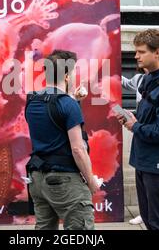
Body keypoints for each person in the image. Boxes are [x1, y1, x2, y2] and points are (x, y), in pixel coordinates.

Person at [115, 29, 159, 230]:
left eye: (141, 51)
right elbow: (151, 119)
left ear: (158, 52)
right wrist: (134, 118)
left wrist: (135, 126)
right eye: (136, 51)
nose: (135, 56)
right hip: (144, 161)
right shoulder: (148, 80)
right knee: (149, 220)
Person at [25, 49, 99, 230]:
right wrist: (91, 182)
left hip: (37, 180)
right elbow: (78, 149)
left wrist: (74, 100)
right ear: (66, 76)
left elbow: (52, 121)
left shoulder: (32, 100)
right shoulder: (68, 104)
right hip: (64, 181)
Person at [121, 67, 147, 225]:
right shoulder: (139, 79)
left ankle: (155, 211)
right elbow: (124, 82)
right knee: (142, 175)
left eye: (142, 52)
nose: (137, 56)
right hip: (141, 131)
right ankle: (145, 213)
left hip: (148, 131)